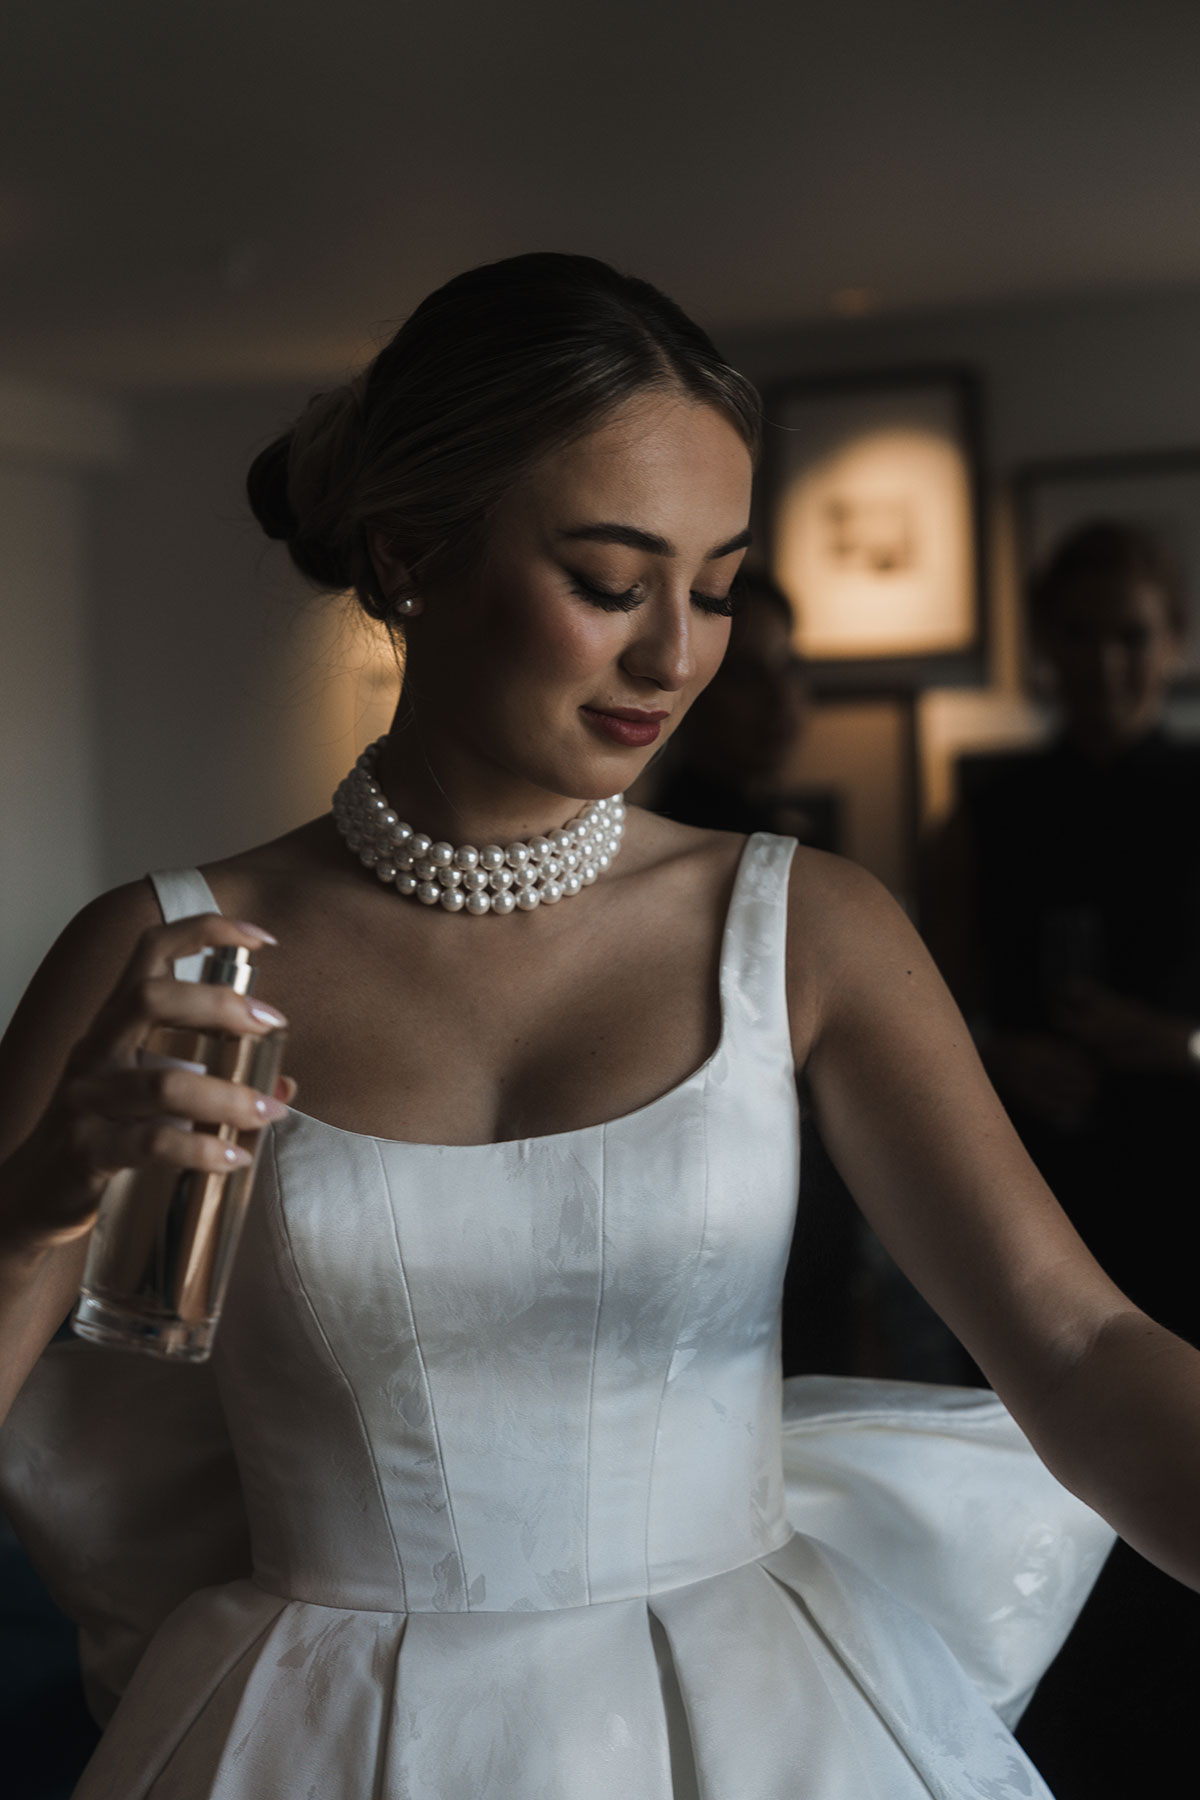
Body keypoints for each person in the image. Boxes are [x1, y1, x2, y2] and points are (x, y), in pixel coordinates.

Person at [0, 255, 1192, 1800]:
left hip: (757, 1729)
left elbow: (1080, 1346)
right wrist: (37, 1204)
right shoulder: (163, 952)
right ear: (408, 553)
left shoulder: (807, 927)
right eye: (614, 584)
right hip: (312, 1736)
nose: (675, 657)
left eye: (716, 588)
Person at [922, 519, 1200, 1797]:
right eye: (1079, 636)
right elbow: (931, 1009)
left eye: (1130, 636)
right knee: (1035, 1504)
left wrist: (1175, 1044)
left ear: (1173, 642)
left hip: (1185, 1191)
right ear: (1045, 647)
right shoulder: (989, 809)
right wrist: (1000, 1057)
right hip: (1032, 1185)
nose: (1105, 664)